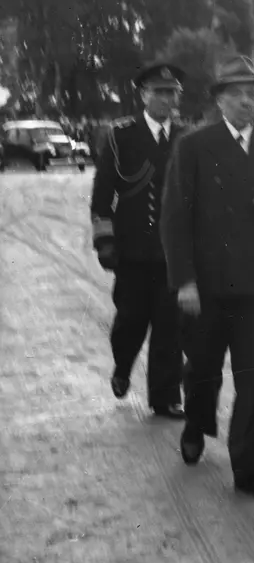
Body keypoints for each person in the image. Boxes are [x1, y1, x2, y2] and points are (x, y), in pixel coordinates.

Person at [162, 55, 254, 500]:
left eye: (253, 93)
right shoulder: (194, 145)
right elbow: (175, 217)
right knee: (202, 371)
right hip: (206, 286)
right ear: (219, 100)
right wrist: (184, 281)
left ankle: (247, 471)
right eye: (236, 93)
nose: (246, 100)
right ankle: (197, 426)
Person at [89, 61, 187, 418]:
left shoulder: (186, 137)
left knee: (169, 326)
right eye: (159, 92)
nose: (166, 99)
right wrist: (105, 241)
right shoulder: (121, 135)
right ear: (144, 95)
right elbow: (103, 194)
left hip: (171, 253)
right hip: (131, 250)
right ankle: (122, 366)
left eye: (171, 92)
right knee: (130, 320)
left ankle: (165, 397)